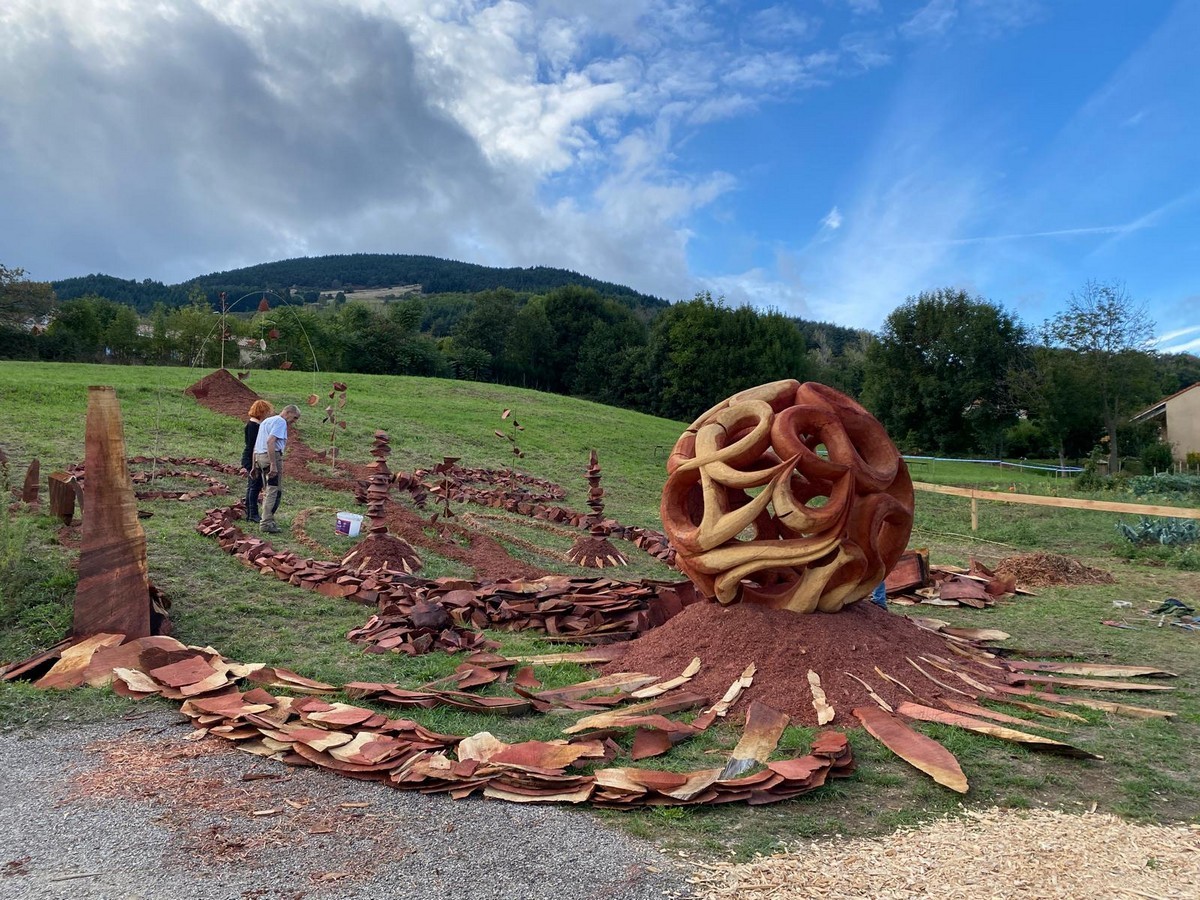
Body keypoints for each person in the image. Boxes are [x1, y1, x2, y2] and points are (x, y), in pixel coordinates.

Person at [252, 404, 300, 534]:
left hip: (260, 457)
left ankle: (268, 519)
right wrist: (273, 464)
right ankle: (266, 523)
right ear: (288, 412)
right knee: (274, 491)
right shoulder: (280, 422)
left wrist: (254, 465)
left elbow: (257, 444)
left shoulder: (267, 421)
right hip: (271, 458)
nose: (294, 421)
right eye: (295, 418)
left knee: (269, 490)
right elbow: (270, 441)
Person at [241, 399, 274, 523]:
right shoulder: (253, 426)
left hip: (252, 457)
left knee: (253, 486)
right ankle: (252, 514)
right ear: (262, 412)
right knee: (254, 486)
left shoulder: (255, 425)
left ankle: (250, 512)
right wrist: (254, 463)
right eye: (267, 412)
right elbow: (254, 446)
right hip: (252, 458)